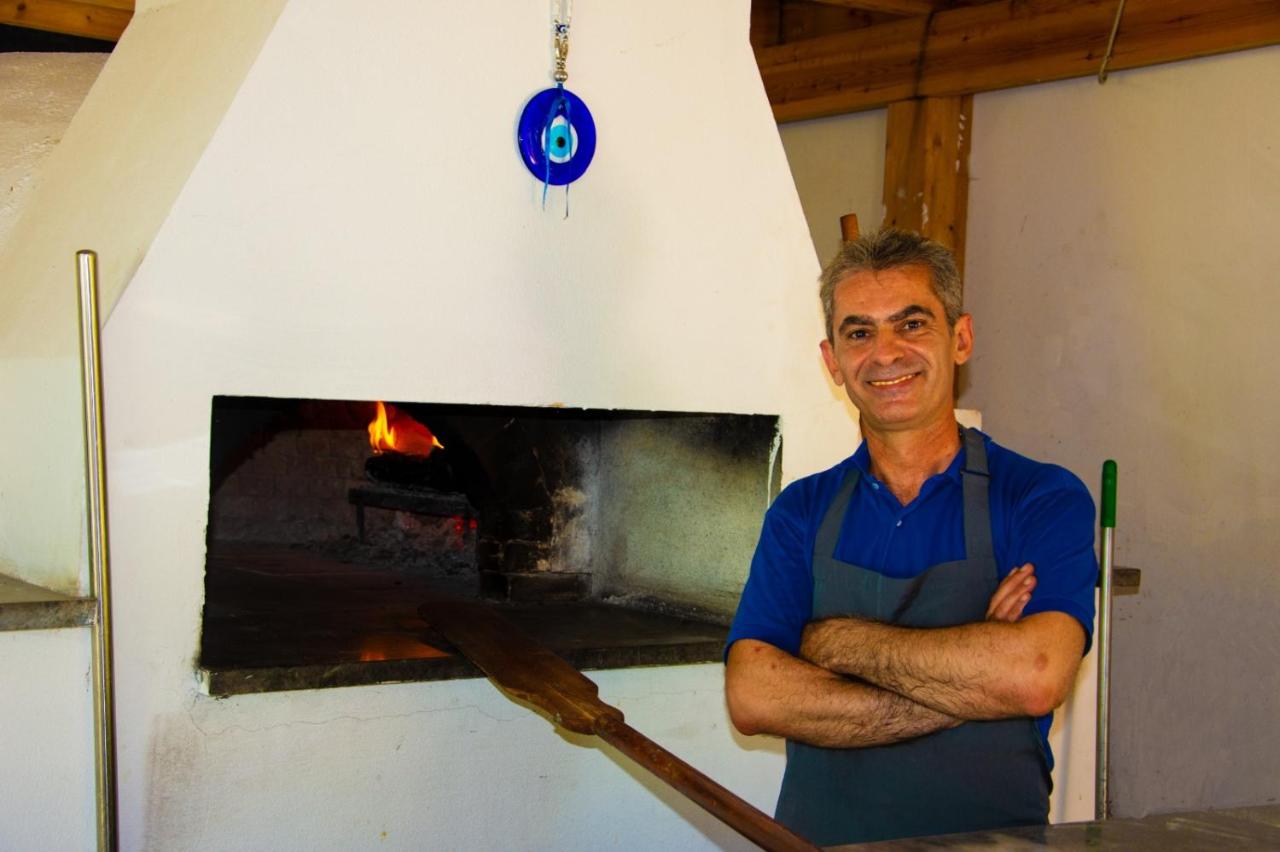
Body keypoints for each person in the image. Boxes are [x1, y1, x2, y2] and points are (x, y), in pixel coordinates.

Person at [724, 228, 1097, 846]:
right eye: (859, 333)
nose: (886, 353)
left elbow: (1035, 674)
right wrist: (974, 681)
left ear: (961, 338)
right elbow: (754, 696)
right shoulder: (801, 512)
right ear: (832, 361)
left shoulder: (1039, 497)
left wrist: (833, 642)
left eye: (912, 324)